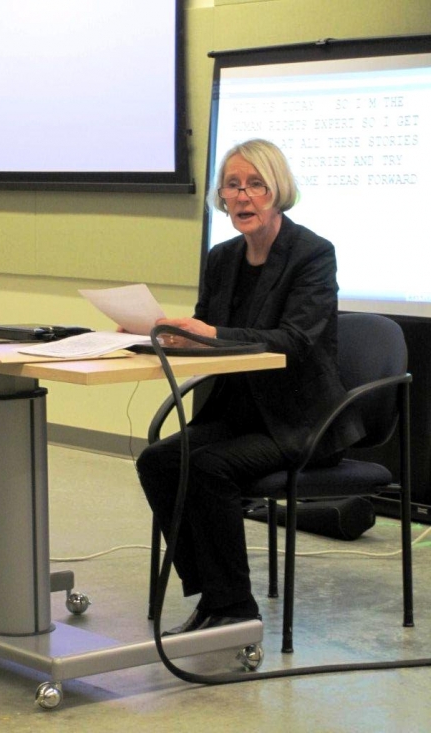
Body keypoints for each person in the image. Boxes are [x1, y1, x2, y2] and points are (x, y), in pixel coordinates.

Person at [136, 138, 365, 635]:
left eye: (256, 185)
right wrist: (161, 332)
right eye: (233, 185)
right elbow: (208, 325)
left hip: (301, 423)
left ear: (278, 190)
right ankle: (213, 595)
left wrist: (211, 334)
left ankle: (235, 608)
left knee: (207, 467)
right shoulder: (222, 258)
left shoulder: (312, 254)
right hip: (236, 415)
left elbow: (297, 340)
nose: (243, 197)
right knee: (157, 460)